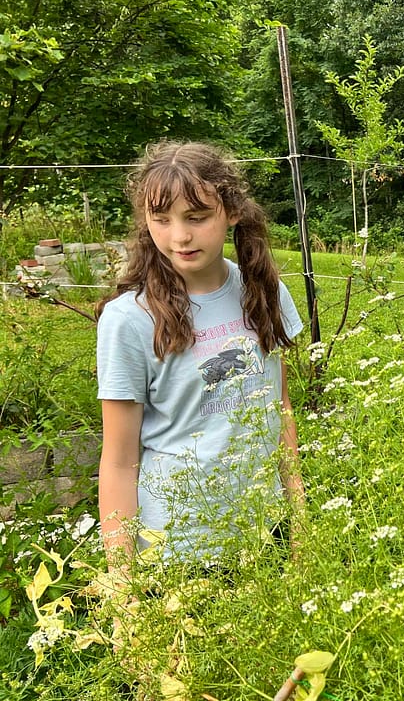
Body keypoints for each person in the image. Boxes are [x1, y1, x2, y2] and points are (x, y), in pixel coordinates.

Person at [96, 141, 305, 580]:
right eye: (162, 219)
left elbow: (278, 408)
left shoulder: (263, 293)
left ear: (231, 212)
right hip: (178, 553)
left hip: (265, 533)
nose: (179, 237)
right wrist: (122, 585)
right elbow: (118, 461)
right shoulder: (129, 320)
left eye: (196, 217)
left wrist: (299, 518)